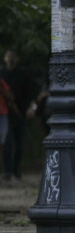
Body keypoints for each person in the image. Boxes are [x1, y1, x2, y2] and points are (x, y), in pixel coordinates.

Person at [1, 50, 36, 182]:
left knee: (19, 142)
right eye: (9, 56)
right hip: (4, 113)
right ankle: (7, 170)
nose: (11, 59)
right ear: (5, 58)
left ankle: (15, 170)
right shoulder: (2, 74)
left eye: (13, 57)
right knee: (7, 141)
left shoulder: (23, 74)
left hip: (20, 112)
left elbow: (30, 93)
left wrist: (30, 107)